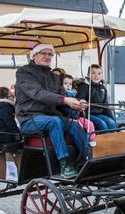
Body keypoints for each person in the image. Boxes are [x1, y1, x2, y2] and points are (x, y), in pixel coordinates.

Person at [15, 44, 88, 178]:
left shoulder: (53, 77)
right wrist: (65, 100)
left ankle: (88, 159)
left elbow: (63, 96)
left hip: (50, 117)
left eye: (50, 54)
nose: (47, 56)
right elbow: (38, 93)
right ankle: (64, 164)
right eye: (44, 53)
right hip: (29, 118)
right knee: (54, 121)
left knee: (74, 125)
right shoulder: (24, 73)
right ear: (34, 55)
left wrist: (77, 104)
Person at [77, 64, 117, 132]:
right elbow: (81, 100)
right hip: (87, 114)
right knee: (102, 124)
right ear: (88, 74)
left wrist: (112, 118)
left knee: (111, 123)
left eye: (99, 73)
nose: (96, 75)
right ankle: (104, 141)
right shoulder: (84, 86)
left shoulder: (103, 88)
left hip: (99, 114)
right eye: (93, 73)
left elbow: (105, 106)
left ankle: (112, 140)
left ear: (102, 75)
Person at [60, 74, 97, 147]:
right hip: (66, 117)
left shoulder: (74, 94)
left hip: (75, 116)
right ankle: (84, 143)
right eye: (65, 83)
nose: (68, 86)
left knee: (90, 124)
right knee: (78, 126)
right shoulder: (61, 96)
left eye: (70, 84)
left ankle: (91, 139)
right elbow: (63, 109)